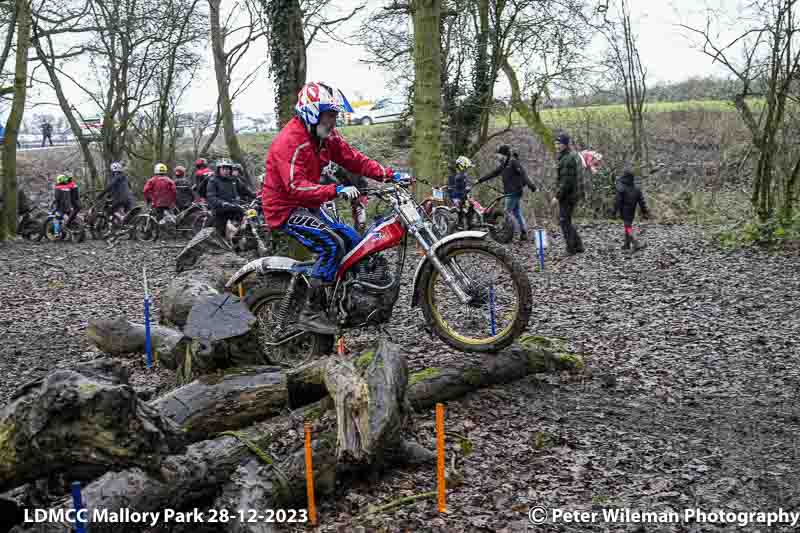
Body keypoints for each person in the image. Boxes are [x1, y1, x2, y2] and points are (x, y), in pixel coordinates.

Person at [262, 80, 399, 335]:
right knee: (331, 245)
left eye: (335, 114)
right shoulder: (290, 142)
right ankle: (311, 312)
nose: (333, 120)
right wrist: (335, 190)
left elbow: (353, 159)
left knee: (354, 241)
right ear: (312, 112)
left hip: (309, 203)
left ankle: (349, 301)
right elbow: (295, 187)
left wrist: (389, 175)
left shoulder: (326, 137)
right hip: (285, 208)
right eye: (329, 114)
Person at [477, 144, 535, 241]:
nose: (497, 156)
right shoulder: (504, 164)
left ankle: (506, 234)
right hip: (511, 192)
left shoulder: (513, 162)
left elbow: (523, 174)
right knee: (516, 212)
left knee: (506, 213)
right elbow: (493, 173)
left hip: (513, 192)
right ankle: (523, 232)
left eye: (498, 154)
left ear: (503, 154)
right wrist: (480, 180)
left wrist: (531, 185)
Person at [551, 133, 584, 255]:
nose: (557, 146)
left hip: (568, 196)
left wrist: (557, 196)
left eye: (559, 144)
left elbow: (566, 182)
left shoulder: (568, 158)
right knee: (566, 221)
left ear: (565, 145)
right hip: (569, 195)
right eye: (556, 143)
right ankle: (578, 246)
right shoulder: (564, 157)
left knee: (564, 221)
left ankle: (571, 249)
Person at [207, 159, 246, 239]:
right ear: (219, 169)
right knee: (219, 235)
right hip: (220, 210)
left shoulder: (234, 179)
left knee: (243, 227)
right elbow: (211, 197)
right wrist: (222, 203)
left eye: (228, 168)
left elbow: (245, 190)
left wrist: (256, 196)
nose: (226, 171)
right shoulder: (213, 181)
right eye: (223, 168)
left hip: (235, 208)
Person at [614, 166, 650, 251]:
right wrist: (645, 211)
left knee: (627, 226)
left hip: (624, 210)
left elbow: (618, 200)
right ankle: (627, 244)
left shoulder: (621, 186)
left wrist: (614, 211)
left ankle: (635, 242)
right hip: (632, 210)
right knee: (628, 225)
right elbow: (641, 201)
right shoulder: (636, 188)